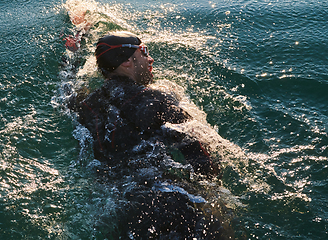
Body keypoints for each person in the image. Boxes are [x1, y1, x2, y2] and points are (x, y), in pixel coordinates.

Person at [69, 31, 225, 239]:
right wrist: (216, 200)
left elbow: (67, 86)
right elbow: (199, 155)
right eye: (143, 52)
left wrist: (73, 49)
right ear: (126, 61)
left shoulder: (86, 107)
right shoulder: (156, 100)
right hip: (172, 199)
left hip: (123, 207)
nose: (150, 59)